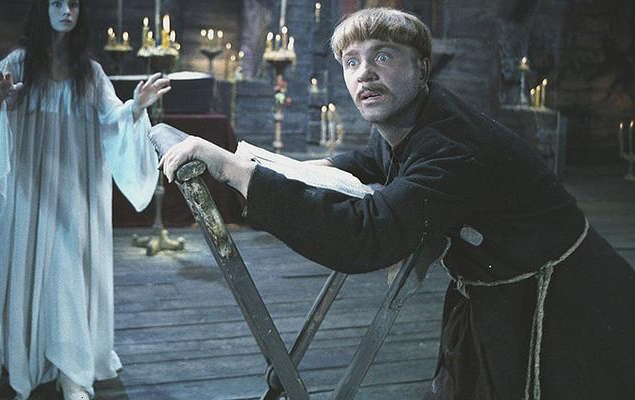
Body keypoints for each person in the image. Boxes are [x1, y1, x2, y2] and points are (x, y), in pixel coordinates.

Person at [160, 7, 634, 400]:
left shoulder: (449, 146)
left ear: (422, 68)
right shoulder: (411, 118)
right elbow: (373, 161)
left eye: (382, 56)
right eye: (351, 62)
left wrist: (234, 170)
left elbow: (369, 235)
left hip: (569, 302)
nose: (364, 73)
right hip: (501, 286)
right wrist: (294, 168)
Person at [0, 1, 170, 399]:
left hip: (75, 190)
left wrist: (136, 107)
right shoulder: (19, 63)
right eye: (57, 3)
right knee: (28, 268)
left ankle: (72, 371)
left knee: (68, 272)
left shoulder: (88, 72)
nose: (66, 10)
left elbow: (113, 119)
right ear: (43, 10)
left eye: (73, 3)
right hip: (30, 188)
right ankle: (29, 359)